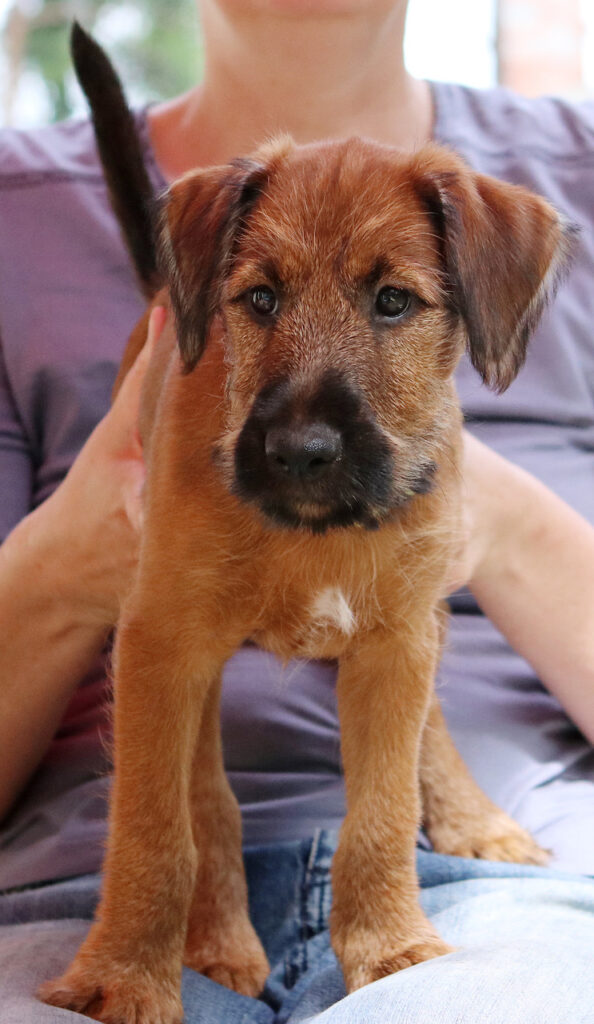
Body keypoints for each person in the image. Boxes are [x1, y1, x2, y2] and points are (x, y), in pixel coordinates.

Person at [0, 1, 593, 1021]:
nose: (309, 430)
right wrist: (63, 561)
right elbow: (161, 639)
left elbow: (390, 636)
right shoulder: (22, 208)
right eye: (259, 303)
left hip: (509, 895)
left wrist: (489, 525)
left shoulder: (555, 173)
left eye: (394, 303)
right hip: (69, 875)